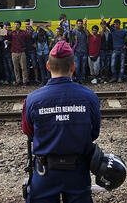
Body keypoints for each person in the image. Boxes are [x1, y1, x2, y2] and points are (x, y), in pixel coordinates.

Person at [22, 40, 100, 202]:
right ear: (73, 66)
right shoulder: (89, 97)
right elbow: (94, 132)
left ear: (48, 66)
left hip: (45, 172)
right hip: (78, 171)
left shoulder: (32, 99)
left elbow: (29, 132)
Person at [106, 18, 127, 83]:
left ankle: (120, 78)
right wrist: (109, 21)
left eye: (117, 24)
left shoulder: (124, 31)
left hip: (122, 50)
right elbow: (107, 25)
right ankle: (114, 77)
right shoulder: (113, 30)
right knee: (112, 65)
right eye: (114, 24)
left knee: (122, 65)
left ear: (119, 24)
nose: (115, 25)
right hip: (115, 50)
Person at [6, 20, 32, 86]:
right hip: (14, 52)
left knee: (23, 67)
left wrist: (30, 29)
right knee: (16, 68)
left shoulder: (23, 32)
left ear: (20, 25)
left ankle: (24, 81)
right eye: (15, 24)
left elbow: (29, 36)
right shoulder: (12, 32)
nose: (15, 26)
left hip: (22, 52)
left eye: (17, 24)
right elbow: (7, 37)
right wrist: (5, 30)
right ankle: (18, 81)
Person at [84, 17, 105, 84]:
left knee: (96, 68)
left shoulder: (99, 36)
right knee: (91, 68)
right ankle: (94, 78)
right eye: (93, 30)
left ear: (97, 30)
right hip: (90, 55)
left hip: (97, 55)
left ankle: (96, 77)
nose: (94, 31)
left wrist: (102, 21)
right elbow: (85, 29)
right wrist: (85, 22)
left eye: (95, 30)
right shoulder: (89, 36)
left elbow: (103, 29)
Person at [72, 19, 88, 83]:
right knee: (77, 67)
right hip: (77, 52)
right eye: (78, 23)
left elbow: (88, 35)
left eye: (81, 23)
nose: (80, 24)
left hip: (84, 51)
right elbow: (69, 36)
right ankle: (78, 79)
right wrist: (71, 30)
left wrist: (85, 24)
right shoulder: (74, 31)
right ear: (77, 24)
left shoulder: (84, 30)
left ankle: (82, 79)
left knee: (83, 67)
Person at [25, 19, 40, 85]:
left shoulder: (34, 31)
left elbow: (35, 38)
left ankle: (36, 79)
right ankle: (27, 79)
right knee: (27, 66)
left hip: (33, 51)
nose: (27, 25)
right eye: (26, 24)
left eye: (28, 24)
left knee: (35, 65)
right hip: (26, 51)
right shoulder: (24, 32)